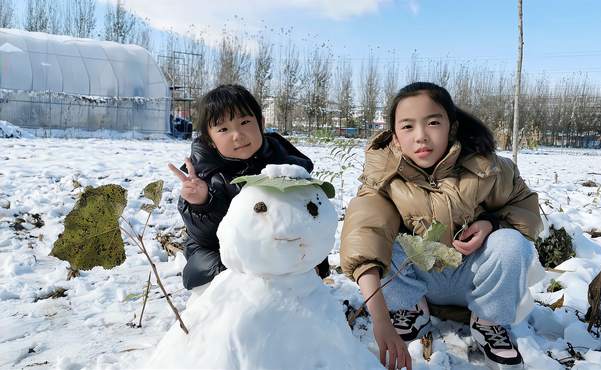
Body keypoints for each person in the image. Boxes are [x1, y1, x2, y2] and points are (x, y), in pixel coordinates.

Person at [340, 82, 543, 370]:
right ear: (395, 135)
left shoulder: (489, 168)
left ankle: (488, 321)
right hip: (418, 283)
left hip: (473, 279)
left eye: (433, 122)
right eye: (407, 127)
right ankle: (411, 310)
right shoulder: (384, 176)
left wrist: (491, 223)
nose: (421, 137)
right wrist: (381, 318)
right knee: (386, 244)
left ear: (452, 126)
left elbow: (526, 208)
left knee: (511, 243)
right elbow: (365, 234)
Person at [169, 84, 329, 290]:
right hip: (218, 252)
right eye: (223, 129)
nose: (237, 135)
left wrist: (313, 257)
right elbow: (206, 237)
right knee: (233, 276)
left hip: (272, 247)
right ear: (210, 139)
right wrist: (202, 203)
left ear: (261, 123)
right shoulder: (204, 176)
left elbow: (305, 217)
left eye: (245, 122)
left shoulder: (286, 166)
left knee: (301, 266)